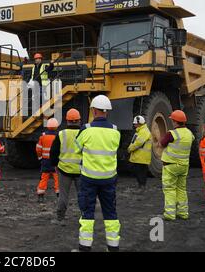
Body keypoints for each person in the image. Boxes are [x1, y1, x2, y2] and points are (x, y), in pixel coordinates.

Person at [75, 95, 121, 252]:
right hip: (109, 179)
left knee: (87, 213)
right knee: (110, 212)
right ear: (107, 111)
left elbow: (77, 148)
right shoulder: (115, 131)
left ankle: (85, 247)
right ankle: (113, 247)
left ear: (93, 111)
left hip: (89, 179)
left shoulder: (86, 130)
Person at [160, 110, 195, 221]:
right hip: (184, 166)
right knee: (181, 189)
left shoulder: (172, 134)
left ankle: (170, 214)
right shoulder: (189, 133)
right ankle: (183, 213)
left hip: (171, 166)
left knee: (169, 189)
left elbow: (162, 143)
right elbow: (192, 139)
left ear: (175, 122)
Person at [50, 109, 82, 225]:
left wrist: (55, 165)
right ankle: (85, 219)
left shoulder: (61, 134)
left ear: (67, 121)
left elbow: (53, 152)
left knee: (63, 196)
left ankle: (60, 218)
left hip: (64, 170)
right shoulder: (84, 133)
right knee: (82, 195)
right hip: (80, 170)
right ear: (79, 120)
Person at [36, 118, 60, 203]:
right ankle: (59, 195)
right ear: (57, 126)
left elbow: (38, 149)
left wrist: (40, 158)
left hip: (45, 161)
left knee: (44, 177)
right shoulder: (59, 136)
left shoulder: (43, 136)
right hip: (56, 161)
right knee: (57, 178)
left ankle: (41, 195)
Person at [127, 116, 152, 192]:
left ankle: (141, 187)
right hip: (140, 157)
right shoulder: (140, 131)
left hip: (141, 157)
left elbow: (138, 143)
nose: (134, 125)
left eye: (135, 124)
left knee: (141, 173)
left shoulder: (143, 131)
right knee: (140, 172)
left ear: (139, 123)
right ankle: (141, 186)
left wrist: (130, 148)